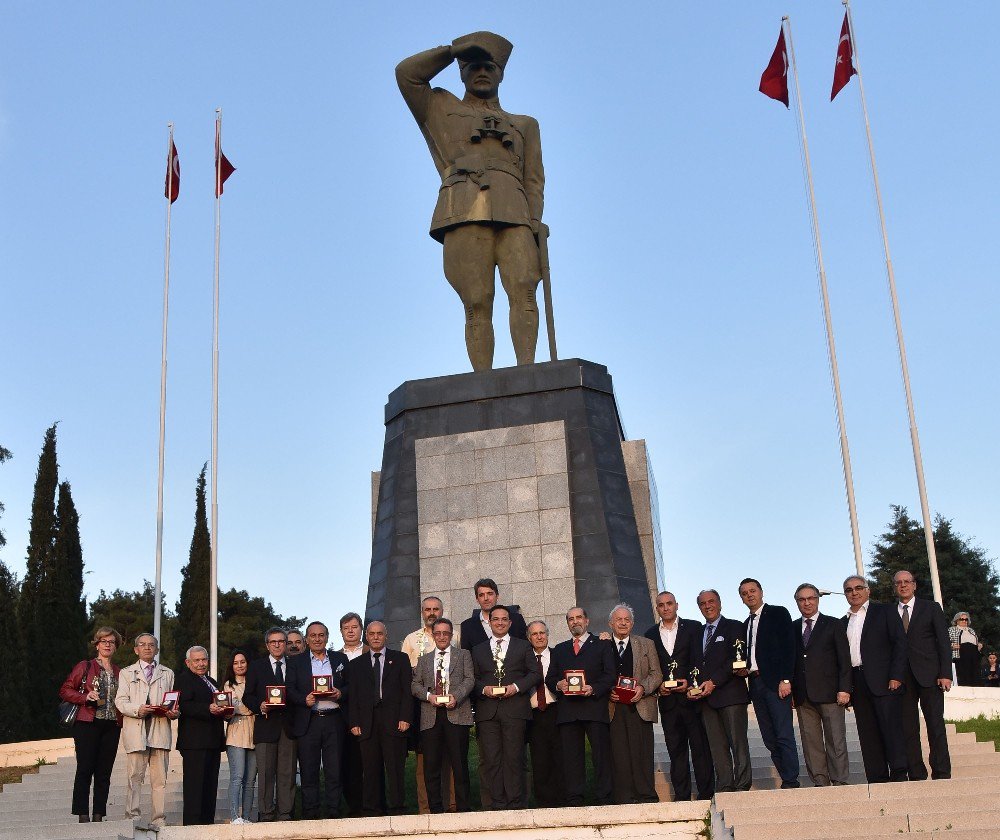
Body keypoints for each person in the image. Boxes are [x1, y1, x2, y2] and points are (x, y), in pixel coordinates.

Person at [397, 31, 545, 371]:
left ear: (501, 73)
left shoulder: (524, 125)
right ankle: (482, 381)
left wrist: (535, 221)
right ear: (461, 71)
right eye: (473, 65)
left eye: (489, 66)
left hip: (516, 212)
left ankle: (527, 373)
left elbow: (534, 180)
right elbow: (407, 74)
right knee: (477, 302)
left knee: (523, 290)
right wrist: (451, 50)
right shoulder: (439, 106)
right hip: (462, 209)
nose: (482, 72)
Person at [644, 590, 714, 801]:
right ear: (657, 609)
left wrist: (691, 683)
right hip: (668, 702)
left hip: (692, 699)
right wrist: (658, 688)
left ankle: (706, 793)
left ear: (677, 605)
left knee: (701, 748)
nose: (666, 608)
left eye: (669, 604)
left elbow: (701, 659)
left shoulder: (693, 627)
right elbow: (650, 669)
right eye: (661, 605)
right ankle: (682, 796)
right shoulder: (650, 635)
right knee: (676, 752)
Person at [470, 604, 539, 809]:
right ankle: (496, 803)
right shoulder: (478, 649)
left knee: (514, 758)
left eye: (504, 619)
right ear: (489, 622)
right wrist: (484, 689)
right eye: (495, 619)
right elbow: (472, 679)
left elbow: (534, 674)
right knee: (491, 759)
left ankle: (516, 803)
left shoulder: (523, 646)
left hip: (515, 709)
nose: (500, 622)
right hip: (487, 711)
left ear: (510, 623)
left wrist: (516, 687)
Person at [546, 606, 616, 806]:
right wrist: (558, 684)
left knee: (601, 756)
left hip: (594, 707)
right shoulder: (559, 649)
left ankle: (604, 798)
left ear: (587, 621)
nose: (575, 621)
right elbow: (551, 678)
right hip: (568, 712)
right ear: (567, 623)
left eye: (578, 618)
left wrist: (593, 688)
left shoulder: (602, 645)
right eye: (571, 619)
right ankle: (575, 799)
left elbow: (610, 675)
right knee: (571, 759)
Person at [842, 575, 908, 783]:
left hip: (884, 681)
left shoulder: (885, 611)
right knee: (867, 733)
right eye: (849, 589)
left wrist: (896, 675)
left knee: (891, 729)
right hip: (857, 682)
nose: (854, 592)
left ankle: (899, 773)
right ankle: (877, 777)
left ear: (868, 590)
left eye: (858, 587)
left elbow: (900, 644)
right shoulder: (843, 621)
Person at [737, 578, 800, 788]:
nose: (749, 595)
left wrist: (786, 679)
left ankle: (791, 780)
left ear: (761, 592)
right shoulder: (745, 624)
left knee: (783, 733)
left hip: (775, 682)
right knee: (769, 737)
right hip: (755, 683)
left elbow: (788, 647)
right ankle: (785, 775)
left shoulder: (778, 613)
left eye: (752, 590)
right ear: (741, 598)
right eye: (744, 593)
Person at [347, 621, 413, 816]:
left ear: (386, 636)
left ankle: (397, 808)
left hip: (394, 720)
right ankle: (372, 809)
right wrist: (354, 722)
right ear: (366, 636)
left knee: (395, 768)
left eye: (380, 633)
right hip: (367, 722)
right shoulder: (356, 664)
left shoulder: (400, 659)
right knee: (370, 768)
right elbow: (354, 696)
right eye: (372, 634)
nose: (376, 637)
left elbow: (406, 692)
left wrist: (405, 717)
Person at [59, 626, 123, 823]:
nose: (107, 644)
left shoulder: (121, 672)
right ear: (97, 644)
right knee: (85, 768)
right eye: (103, 641)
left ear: (116, 647)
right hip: (87, 722)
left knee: (104, 772)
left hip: (112, 724)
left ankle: (98, 814)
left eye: (111, 642)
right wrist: (85, 696)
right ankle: (82, 813)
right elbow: (65, 690)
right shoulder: (85, 666)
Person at [893, 570, 952, 780]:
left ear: (914, 585)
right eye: (899, 583)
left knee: (935, 726)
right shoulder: (889, 612)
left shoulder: (931, 608)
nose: (903, 585)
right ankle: (916, 773)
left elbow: (943, 642)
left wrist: (946, 673)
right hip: (902, 680)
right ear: (895, 587)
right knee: (908, 729)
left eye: (907, 582)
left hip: (931, 676)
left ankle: (942, 772)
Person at [411, 618, 475, 813]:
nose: (441, 637)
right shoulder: (423, 660)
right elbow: (415, 685)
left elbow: (470, 679)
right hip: (431, 718)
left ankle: (463, 809)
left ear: (451, 635)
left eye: (445, 633)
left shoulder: (463, 655)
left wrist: (456, 696)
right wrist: (429, 696)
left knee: (459, 765)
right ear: (433, 634)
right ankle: (436, 810)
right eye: (437, 633)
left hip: (456, 714)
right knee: (431, 768)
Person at [690, 589, 751, 793]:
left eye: (711, 601)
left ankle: (742, 785)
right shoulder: (697, 633)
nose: (707, 606)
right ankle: (725, 785)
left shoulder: (734, 626)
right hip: (706, 700)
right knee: (717, 747)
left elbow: (736, 658)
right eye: (703, 603)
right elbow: (695, 664)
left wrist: (714, 682)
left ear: (720, 603)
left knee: (738, 743)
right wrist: (693, 685)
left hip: (731, 696)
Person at [114, 633, 177, 828]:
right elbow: (120, 701)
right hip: (136, 730)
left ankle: (158, 818)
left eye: (151, 645)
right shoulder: (126, 672)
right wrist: (137, 709)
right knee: (135, 777)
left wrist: (173, 712)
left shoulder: (168, 673)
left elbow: (173, 700)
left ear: (157, 650)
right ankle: (132, 816)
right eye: (142, 645)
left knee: (159, 780)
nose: (147, 648)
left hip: (159, 732)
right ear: (136, 649)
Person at [791, 584, 852, 787]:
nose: (807, 603)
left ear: (818, 599)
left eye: (811, 598)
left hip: (831, 692)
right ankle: (820, 780)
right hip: (802, 695)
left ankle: (840, 779)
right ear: (797, 602)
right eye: (802, 599)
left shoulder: (833, 624)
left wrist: (845, 688)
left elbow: (844, 659)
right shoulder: (791, 628)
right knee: (811, 742)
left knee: (836, 740)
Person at [289, 620, 350, 819]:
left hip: (334, 720)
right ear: (307, 639)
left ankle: (333, 813)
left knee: (335, 770)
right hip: (309, 721)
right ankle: (310, 815)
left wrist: (340, 693)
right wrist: (302, 699)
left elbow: (352, 686)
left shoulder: (340, 658)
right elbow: (289, 689)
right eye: (313, 635)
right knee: (309, 771)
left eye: (321, 635)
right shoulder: (296, 662)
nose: (317, 639)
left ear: (327, 637)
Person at [606, 604, 661, 804]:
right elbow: (597, 674)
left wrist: (643, 689)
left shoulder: (646, 644)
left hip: (640, 706)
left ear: (632, 623)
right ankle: (624, 798)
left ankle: (646, 795)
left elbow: (657, 673)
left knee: (642, 753)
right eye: (619, 619)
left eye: (627, 619)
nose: (623, 623)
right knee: (618, 754)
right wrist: (607, 691)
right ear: (611, 623)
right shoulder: (603, 644)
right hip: (613, 708)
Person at [401, 596, 452, 815]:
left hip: (450, 706)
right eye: (428, 609)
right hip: (422, 707)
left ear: (442, 611)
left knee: (449, 758)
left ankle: (451, 805)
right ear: (422, 612)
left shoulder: (454, 635)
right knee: (424, 761)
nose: (432, 613)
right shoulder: (411, 639)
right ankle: (426, 808)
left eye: (436, 609)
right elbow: (403, 675)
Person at [244, 627, 299, 822]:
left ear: (286, 644)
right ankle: (266, 814)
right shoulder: (256, 667)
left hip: (289, 727)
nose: (277, 645)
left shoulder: (295, 665)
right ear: (267, 645)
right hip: (265, 727)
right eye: (273, 642)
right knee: (266, 775)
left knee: (287, 774)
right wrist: (259, 706)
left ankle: (285, 814)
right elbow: (247, 696)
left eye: (281, 641)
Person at [175, 645, 227, 825]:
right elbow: (185, 705)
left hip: (213, 741)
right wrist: (208, 708)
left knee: (210, 787)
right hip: (194, 743)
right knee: (194, 788)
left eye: (204, 659)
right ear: (188, 662)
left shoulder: (211, 680)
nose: (201, 664)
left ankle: (207, 824)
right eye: (196, 660)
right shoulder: (183, 680)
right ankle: (192, 827)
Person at [525, 620, 565, 808]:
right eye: (535, 634)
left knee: (559, 756)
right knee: (539, 759)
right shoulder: (524, 659)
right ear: (529, 638)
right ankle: (543, 802)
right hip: (534, 714)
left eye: (542, 633)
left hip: (556, 710)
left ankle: (561, 800)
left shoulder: (559, 654)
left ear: (548, 635)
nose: (539, 637)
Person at [222, 649, 257, 824]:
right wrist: (255, 707)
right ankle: (235, 816)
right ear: (231, 666)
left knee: (250, 780)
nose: (239, 665)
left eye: (242, 662)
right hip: (236, 731)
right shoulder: (229, 685)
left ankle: (248, 816)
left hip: (254, 732)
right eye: (236, 663)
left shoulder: (255, 681)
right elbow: (239, 708)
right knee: (237, 776)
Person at [339, 612, 367, 817]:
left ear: (361, 629)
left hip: (369, 714)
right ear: (341, 631)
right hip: (342, 716)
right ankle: (353, 806)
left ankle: (373, 804)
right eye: (346, 627)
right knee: (347, 763)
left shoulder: (370, 651)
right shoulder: (333, 657)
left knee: (370, 762)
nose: (350, 630)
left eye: (354, 626)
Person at [460, 578, 528, 652]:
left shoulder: (516, 619)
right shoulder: (467, 626)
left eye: (490, 594)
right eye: (481, 595)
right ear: (477, 599)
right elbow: (466, 658)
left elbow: (526, 649)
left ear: (497, 596)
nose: (486, 598)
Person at [949, 612, 983, 686]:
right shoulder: (952, 629)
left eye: (966, 619)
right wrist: (952, 645)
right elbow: (944, 642)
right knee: (963, 676)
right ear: (956, 620)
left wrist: (978, 646)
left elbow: (975, 641)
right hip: (960, 655)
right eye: (962, 619)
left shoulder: (971, 630)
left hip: (973, 655)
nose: (964, 621)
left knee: (974, 675)